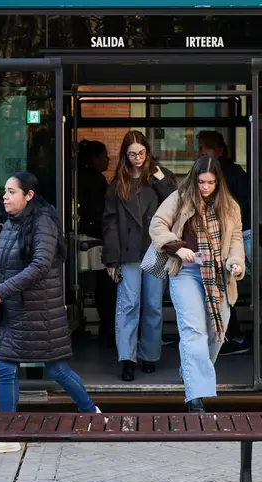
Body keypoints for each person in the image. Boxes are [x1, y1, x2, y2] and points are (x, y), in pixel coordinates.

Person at [0, 171, 100, 456]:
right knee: (6, 366)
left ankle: (92, 414)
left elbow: (39, 266)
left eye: (12, 192)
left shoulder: (42, 222)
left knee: (56, 368)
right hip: (16, 309)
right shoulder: (13, 222)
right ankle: (9, 432)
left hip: (38, 311)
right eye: (5, 191)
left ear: (29, 195)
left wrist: (3, 290)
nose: (5, 196)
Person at [149, 156, 245, 412]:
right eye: (201, 182)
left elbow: (235, 238)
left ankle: (190, 370)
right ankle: (195, 397)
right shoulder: (180, 197)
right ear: (194, 179)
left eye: (211, 183)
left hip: (217, 274)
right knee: (193, 332)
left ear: (218, 182)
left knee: (217, 332)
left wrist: (235, 261)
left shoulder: (230, 206)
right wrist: (177, 248)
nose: (205, 187)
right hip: (186, 272)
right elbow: (157, 224)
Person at [102, 131, 176, 381]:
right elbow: (109, 223)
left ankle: (149, 355)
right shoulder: (117, 184)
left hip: (155, 250)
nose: (137, 158)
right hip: (128, 252)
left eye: (141, 153)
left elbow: (175, 202)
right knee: (128, 305)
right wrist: (111, 260)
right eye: (132, 154)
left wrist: (156, 175)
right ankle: (127, 358)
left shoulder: (159, 177)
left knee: (154, 305)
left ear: (148, 151)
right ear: (125, 154)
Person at [197, 131, 251, 356]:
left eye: (206, 148)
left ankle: (230, 335)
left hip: (234, 236)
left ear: (219, 151)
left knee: (227, 285)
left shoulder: (234, 173)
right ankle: (229, 335)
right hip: (214, 241)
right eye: (200, 148)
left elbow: (246, 205)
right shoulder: (200, 175)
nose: (202, 152)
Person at [77, 140, 116, 346]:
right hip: (94, 240)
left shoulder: (85, 178)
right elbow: (101, 212)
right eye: (104, 155)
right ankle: (107, 327)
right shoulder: (95, 181)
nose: (108, 159)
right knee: (104, 286)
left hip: (87, 237)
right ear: (94, 159)